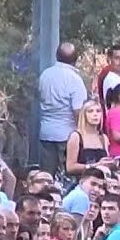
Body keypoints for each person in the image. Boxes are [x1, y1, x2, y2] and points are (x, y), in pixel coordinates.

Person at [38, 42, 87, 177]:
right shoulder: (74, 80)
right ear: (76, 59)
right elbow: (78, 111)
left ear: (56, 56)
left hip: (46, 132)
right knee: (66, 176)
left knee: (47, 175)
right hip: (67, 134)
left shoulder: (45, 75)